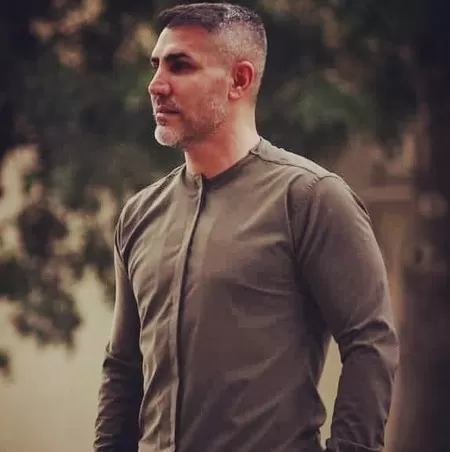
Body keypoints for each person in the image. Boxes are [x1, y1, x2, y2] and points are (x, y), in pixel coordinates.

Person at [94, 3, 399, 452]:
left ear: (239, 80)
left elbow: (370, 344)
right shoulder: (139, 214)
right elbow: (123, 367)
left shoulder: (311, 199)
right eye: (156, 65)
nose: (156, 84)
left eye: (180, 65)